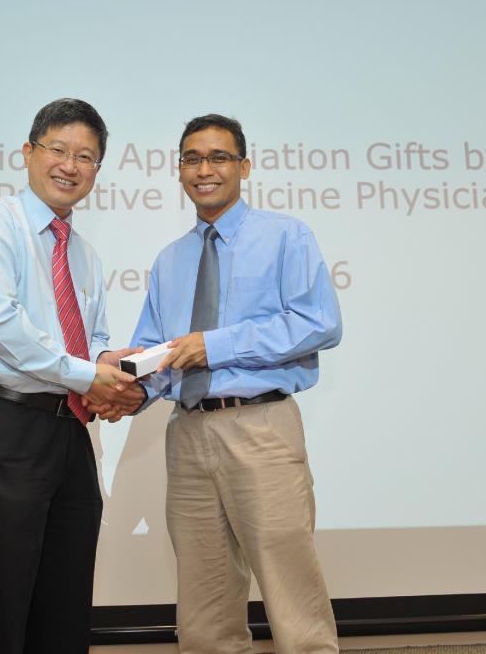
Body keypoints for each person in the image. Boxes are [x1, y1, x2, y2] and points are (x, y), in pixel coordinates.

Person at [129, 114, 343, 654]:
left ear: (244, 167)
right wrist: (124, 389)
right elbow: (157, 354)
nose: (204, 169)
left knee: (293, 601)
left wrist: (216, 345)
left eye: (218, 157)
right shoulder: (169, 260)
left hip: (260, 428)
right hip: (188, 434)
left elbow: (319, 322)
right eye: (192, 159)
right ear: (180, 170)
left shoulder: (286, 236)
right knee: (204, 609)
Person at [0, 97, 143, 654]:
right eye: (58, 149)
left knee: (63, 604)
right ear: (28, 152)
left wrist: (111, 371)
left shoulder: (85, 254)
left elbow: (93, 338)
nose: (70, 166)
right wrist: (86, 375)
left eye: (86, 156)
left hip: (69, 433)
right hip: (1, 422)